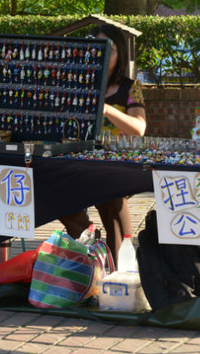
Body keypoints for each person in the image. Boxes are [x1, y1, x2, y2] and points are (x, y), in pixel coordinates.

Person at [60, 23, 147, 268]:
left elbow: (139, 128)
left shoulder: (131, 88)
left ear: (121, 56)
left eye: (111, 51)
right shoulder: (76, 84)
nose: (104, 56)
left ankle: (120, 266)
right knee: (54, 189)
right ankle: (93, 246)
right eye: (98, 50)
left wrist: (106, 108)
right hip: (81, 160)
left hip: (116, 164)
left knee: (113, 196)